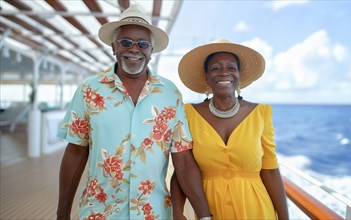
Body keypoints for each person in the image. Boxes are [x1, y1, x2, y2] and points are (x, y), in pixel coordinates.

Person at [56, 5, 211, 220]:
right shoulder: (88, 90)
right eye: (126, 42)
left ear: (151, 50)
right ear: (114, 47)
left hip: (155, 213)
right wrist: (62, 212)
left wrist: (204, 216)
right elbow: (75, 152)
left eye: (143, 44)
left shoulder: (170, 93)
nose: (134, 49)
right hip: (99, 212)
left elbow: (183, 160)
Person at [171, 39, 289, 219]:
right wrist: (177, 211)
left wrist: (284, 217)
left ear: (239, 75)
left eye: (231, 68)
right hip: (209, 212)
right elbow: (182, 168)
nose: (224, 72)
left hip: (258, 210)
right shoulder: (187, 114)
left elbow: (270, 170)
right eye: (216, 68)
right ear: (207, 76)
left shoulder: (261, 113)